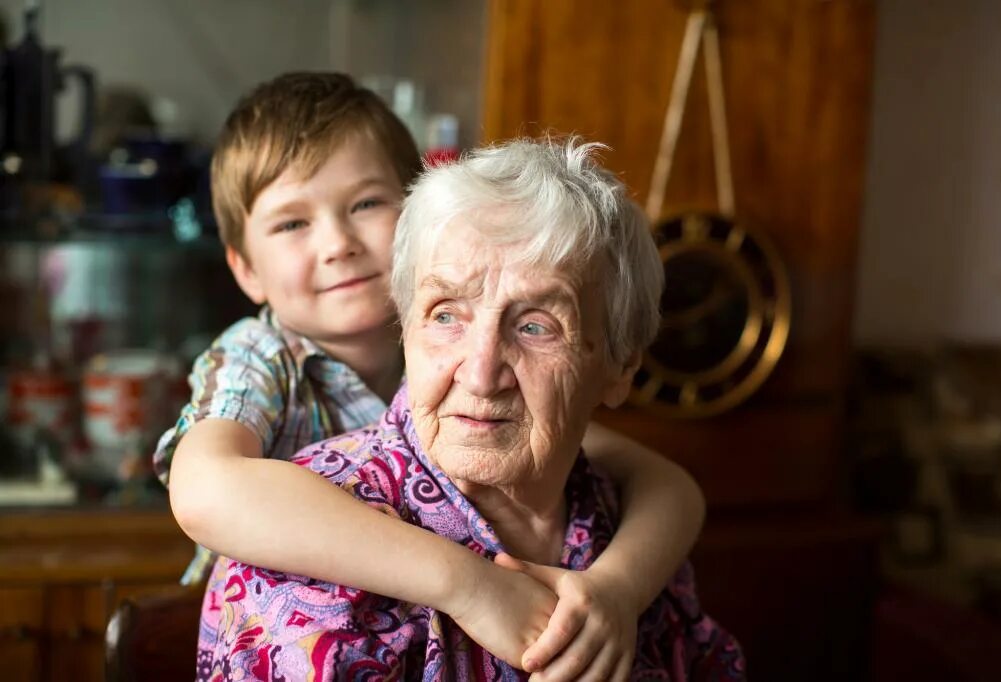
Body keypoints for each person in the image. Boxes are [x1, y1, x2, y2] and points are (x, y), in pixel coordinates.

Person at [156, 73, 707, 677]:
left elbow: (663, 483)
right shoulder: (259, 359)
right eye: (293, 224)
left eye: (366, 204)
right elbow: (206, 492)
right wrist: (466, 583)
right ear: (245, 269)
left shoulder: (491, 401)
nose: (480, 373)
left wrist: (620, 587)